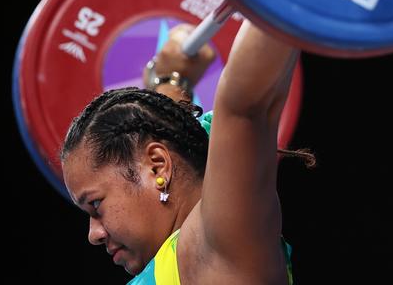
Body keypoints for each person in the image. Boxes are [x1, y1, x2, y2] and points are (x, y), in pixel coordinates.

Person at [60, 20, 314, 284]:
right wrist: (171, 79)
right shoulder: (181, 262)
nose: (94, 235)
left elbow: (246, 108)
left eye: (96, 204)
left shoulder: (221, 246)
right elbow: (165, 137)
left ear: (158, 167)